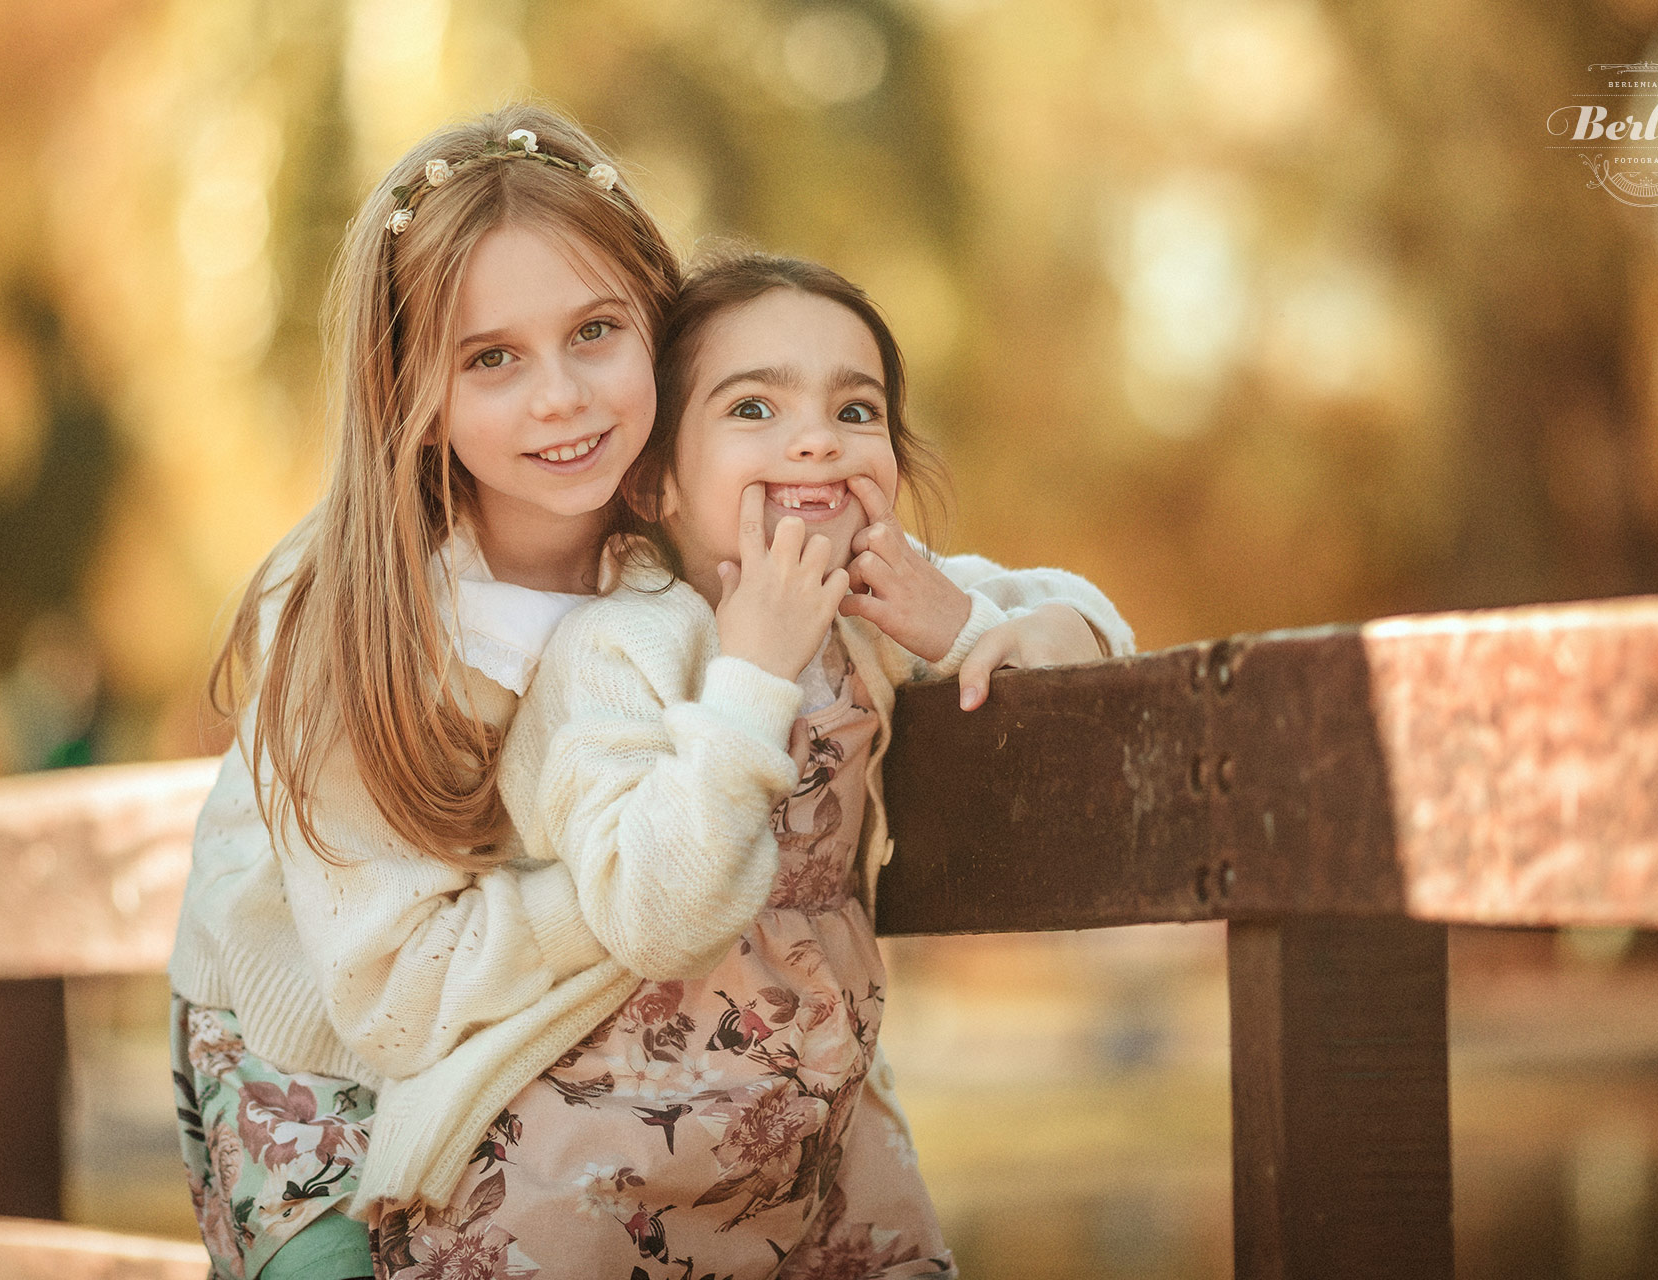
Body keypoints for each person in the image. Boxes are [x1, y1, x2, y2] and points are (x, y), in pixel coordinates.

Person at [167, 104, 1132, 1280]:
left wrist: (984, 623)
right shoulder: (363, 621)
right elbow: (397, 994)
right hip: (322, 1030)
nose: (563, 397)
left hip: (599, 1020)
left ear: (660, 337)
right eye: (491, 358)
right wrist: (661, 869)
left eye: (595, 331)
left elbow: (1041, 607)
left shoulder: (678, 523)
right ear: (410, 390)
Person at [366, 252, 1135, 1278]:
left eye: (855, 410)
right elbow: (655, 915)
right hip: (590, 1152)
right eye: (754, 408)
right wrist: (753, 672)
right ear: (657, 480)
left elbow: (1099, 636)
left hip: (814, 1131)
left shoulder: (879, 597)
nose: (816, 436)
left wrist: (965, 625)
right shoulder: (615, 651)